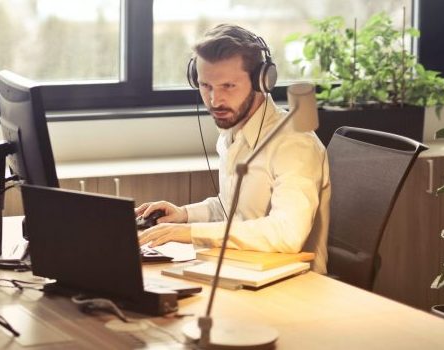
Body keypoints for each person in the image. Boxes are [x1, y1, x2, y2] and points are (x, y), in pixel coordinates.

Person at [136, 24, 331, 274]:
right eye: (206, 86)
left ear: (262, 81)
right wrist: (184, 215)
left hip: (292, 286)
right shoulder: (232, 133)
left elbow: (287, 234)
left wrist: (190, 233)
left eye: (228, 86)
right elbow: (233, 210)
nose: (215, 101)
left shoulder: (294, 143)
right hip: (240, 270)